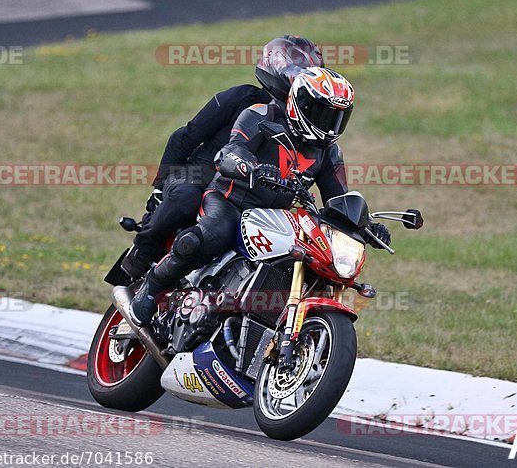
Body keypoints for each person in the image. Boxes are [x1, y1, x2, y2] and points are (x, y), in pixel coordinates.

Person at [128, 66, 391, 326]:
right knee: (213, 233)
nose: (329, 125)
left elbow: (337, 200)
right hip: (230, 201)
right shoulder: (262, 115)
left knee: (309, 260)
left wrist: (365, 226)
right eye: (323, 113)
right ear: (301, 104)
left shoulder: (329, 153)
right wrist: (247, 165)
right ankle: (153, 286)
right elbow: (230, 151)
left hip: (277, 218)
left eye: (337, 117)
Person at [120, 35, 325, 280]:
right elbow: (183, 138)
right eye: (293, 72)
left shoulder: (305, 127)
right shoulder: (240, 98)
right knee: (186, 197)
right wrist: (161, 186)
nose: (296, 79)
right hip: (201, 175)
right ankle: (143, 252)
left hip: (247, 193)